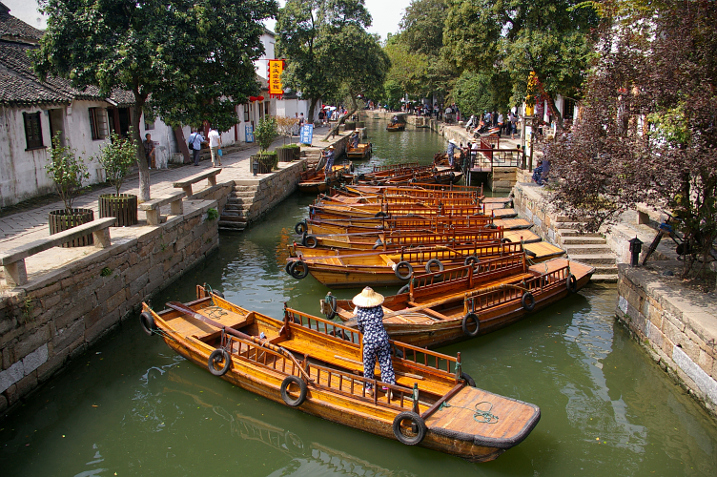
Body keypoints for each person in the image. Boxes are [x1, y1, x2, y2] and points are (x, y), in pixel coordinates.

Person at [352, 287, 395, 396]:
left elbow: (360, 327)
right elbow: (380, 318)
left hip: (369, 340)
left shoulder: (360, 312)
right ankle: (388, 389)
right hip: (382, 338)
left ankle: (369, 388)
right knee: (385, 363)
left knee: (368, 364)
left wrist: (366, 332)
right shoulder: (379, 309)